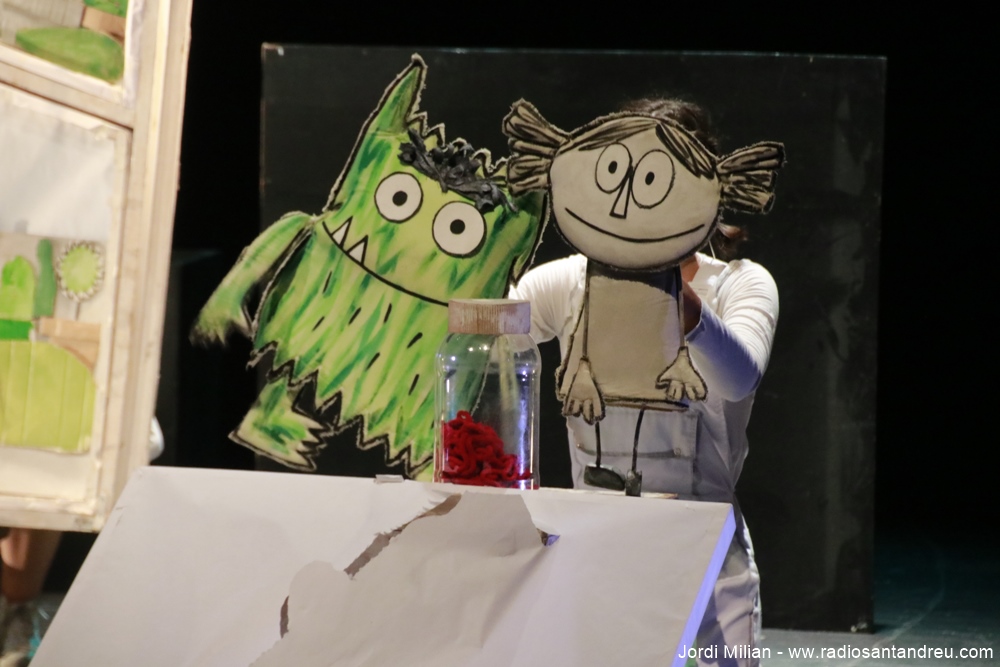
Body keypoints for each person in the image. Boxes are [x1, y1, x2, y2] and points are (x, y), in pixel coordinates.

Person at [509, 98, 780, 666]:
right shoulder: (568, 282)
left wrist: (677, 302)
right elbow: (497, 337)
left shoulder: (739, 283)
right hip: (595, 541)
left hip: (704, 543)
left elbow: (738, 377)